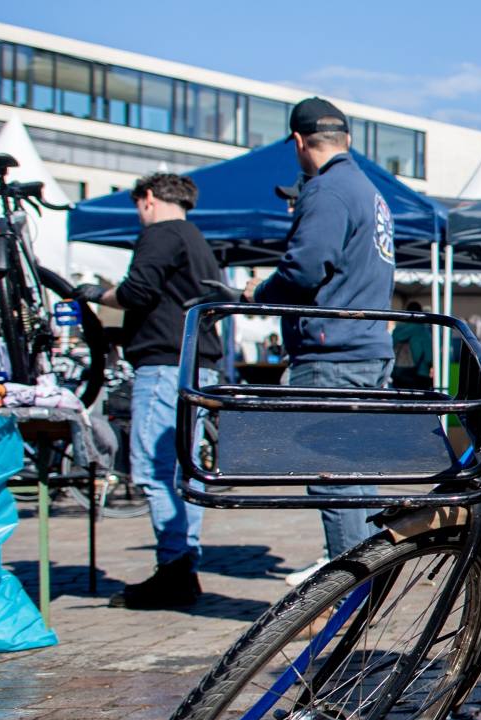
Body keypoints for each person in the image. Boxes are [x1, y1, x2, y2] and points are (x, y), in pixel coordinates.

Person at [241, 98, 397, 588]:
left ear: (298, 142)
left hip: (335, 353)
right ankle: (366, 587)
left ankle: (349, 594)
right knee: (360, 477)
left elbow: (306, 268)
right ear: (347, 137)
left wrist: (259, 294)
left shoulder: (328, 189)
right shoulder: (368, 191)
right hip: (365, 348)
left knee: (337, 479)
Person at [72, 173, 223, 610]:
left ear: (149, 199)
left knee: (156, 472)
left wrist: (97, 293)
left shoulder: (159, 233)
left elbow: (138, 291)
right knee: (184, 473)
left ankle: (174, 569)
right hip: (194, 364)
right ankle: (182, 566)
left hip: (164, 366)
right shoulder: (195, 238)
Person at [391, 300, 435, 390]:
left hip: (398, 372)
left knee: (399, 401)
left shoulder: (397, 330)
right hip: (420, 374)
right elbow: (429, 356)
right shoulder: (423, 330)